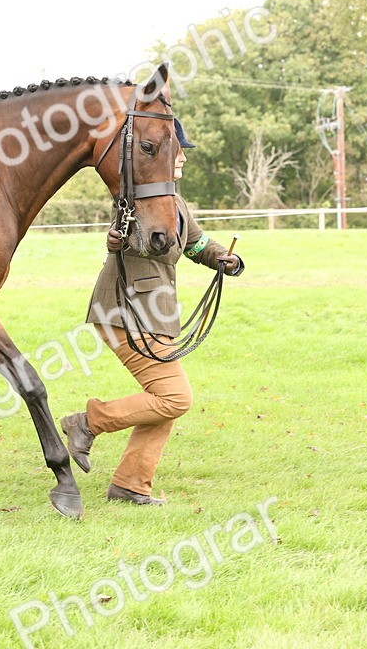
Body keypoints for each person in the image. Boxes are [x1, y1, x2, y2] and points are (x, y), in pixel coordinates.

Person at [60, 117, 244, 506]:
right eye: (179, 153)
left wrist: (222, 259)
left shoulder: (175, 202)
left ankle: (130, 484)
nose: (182, 161)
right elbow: (129, 238)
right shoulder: (137, 197)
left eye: (183, 155)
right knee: (176, 397)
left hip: (156, 314)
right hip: (124, 310)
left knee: (163, 401)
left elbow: (193, 244)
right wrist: (116, 240)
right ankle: (88, 422)